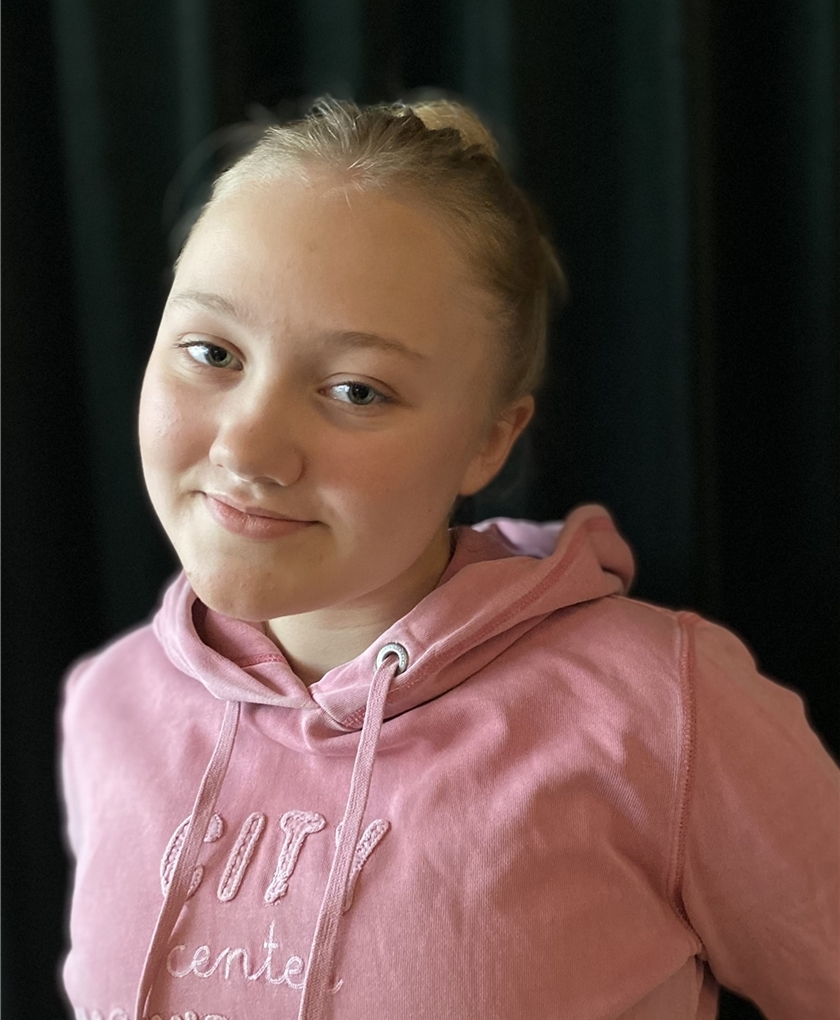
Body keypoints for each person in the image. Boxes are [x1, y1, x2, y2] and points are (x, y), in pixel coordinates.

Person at [59, 98, 838, 1020]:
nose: (248, 449)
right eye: (211, 351)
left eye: (357, 390)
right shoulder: (108, 704)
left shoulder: (663, 711)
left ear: (489, 441)